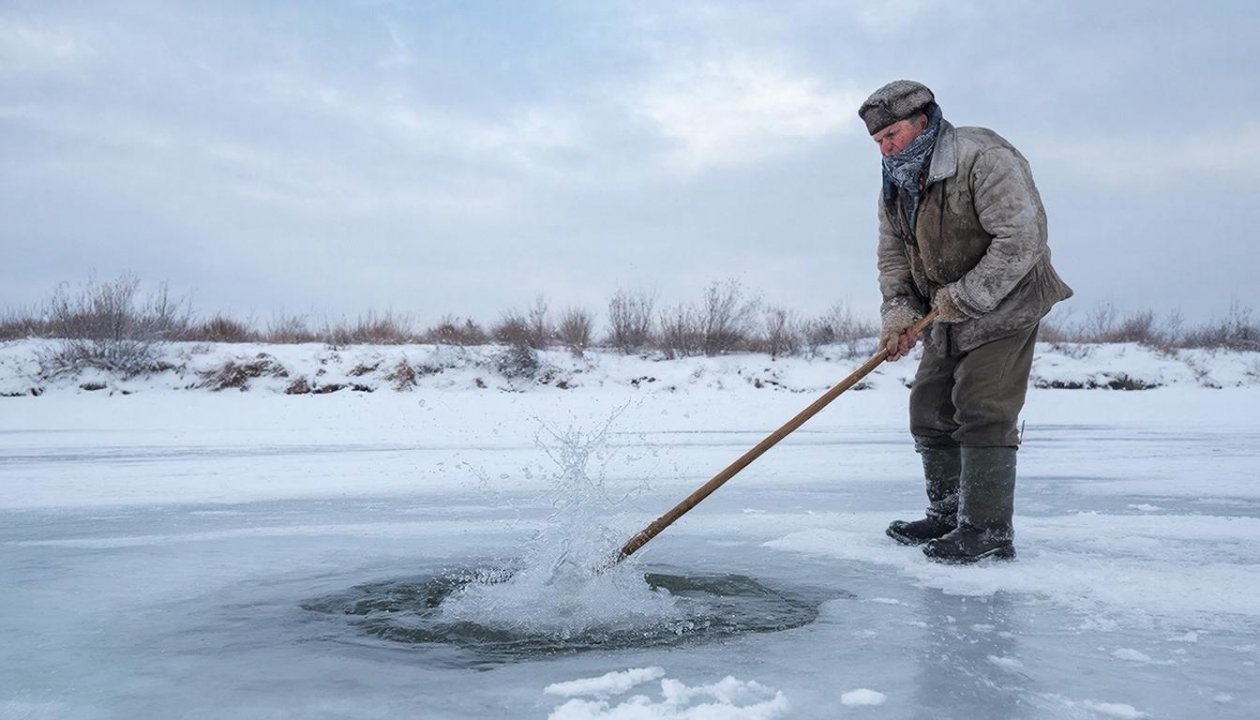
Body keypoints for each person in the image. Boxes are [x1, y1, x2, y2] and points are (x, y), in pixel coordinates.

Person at [859, 80, 1072, 563]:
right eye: (878, 141)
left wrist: (967, 296)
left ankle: (987, 530)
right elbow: (893, 257)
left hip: (1007, 302)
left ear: (923, 121)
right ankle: (948, 515)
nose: (887, 147)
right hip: (945, 311)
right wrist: (899, 313)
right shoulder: (895, 184)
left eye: (892, 134)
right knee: (928, 409)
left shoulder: (983, 157)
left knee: (982, 407)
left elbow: (1022, 238)